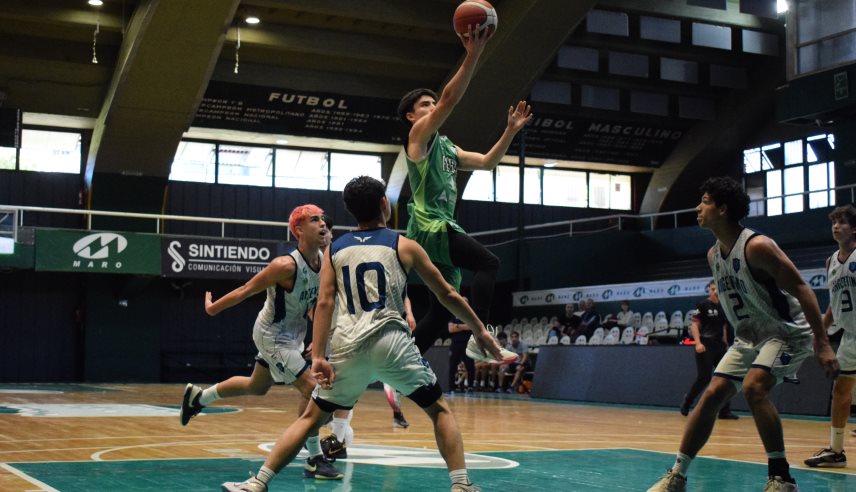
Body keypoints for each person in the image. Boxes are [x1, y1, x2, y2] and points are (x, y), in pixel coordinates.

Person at [220, 176, 504, 492]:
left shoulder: (335, 249)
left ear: (351, 212)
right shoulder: (405, 245)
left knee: (309, 419)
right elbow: (448, 294)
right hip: (392, 344)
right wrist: (480, 331)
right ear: (385, 204)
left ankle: (258, 483)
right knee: (438, 410)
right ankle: (461, 484)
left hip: (347, 348)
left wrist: (317, 356)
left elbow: (325, 302)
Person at [648, 177, 839, 492]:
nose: (698, 207)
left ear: (722, 209)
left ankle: (781, 478)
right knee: (712, 394)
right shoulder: (713, 256)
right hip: (749, 338)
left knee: (754, 388)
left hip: (787, 334)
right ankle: (677, 476)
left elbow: (803, 288)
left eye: (705, 201)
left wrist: (822, 343)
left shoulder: (758, 247)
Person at [397, 23, 531, 360]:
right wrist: (473, 54)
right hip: (430, 227)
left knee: (441, 312)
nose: (432, 107)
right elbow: (450, 98)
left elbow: (487, 162)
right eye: (425, 105)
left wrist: (510, 132)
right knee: (488, 262)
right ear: (412, 116)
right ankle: (480, 336)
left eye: (431, 103)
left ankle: (403, 367)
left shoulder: (447, 147)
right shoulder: (418, 137)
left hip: (438, 231)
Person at [181, 204, 342, 480]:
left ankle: (199, 398)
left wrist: (318, 339)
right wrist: (212, 308)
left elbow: (315, 305)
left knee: (257, 386)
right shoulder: (285, 265)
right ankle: (315, 459)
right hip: (272, 336)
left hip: (294, 335)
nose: (323, 224)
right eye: (315, 220)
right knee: (317, 392)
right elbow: (245, 290)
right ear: (299, 230)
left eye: (323, 220)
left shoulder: (323, 263)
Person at [804, 204, 856, 468]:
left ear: (854, 228)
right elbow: (833, 306)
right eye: (833, 222)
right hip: (851, 336)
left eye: (843, 222)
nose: (836, 226)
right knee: (841, 390)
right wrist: (820, 333)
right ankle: (836, 451)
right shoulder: (831, 262)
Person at [680, 280, 738, 420]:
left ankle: (724, 411)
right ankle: (687, 402)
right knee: (704, 377)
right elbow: (694, 325)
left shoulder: (724, 306)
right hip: (705, 345)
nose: (714, 291)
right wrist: (698, 343)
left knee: (725, 378)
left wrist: (725, 343)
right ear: (709, 290)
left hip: (720, 346)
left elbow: (723, 327)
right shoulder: (702, 305)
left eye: (716, 289)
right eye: (712, 289)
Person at [448, 307, 476, 394]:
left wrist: (457, 326)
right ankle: (451, 386)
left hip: (468, 345)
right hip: (455, 344)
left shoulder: (470, 315)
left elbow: (471, 327)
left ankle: (470, 386)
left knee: (470, 366)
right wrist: (464, 326)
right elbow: (450, 329)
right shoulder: (453, 315)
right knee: (452, 366)